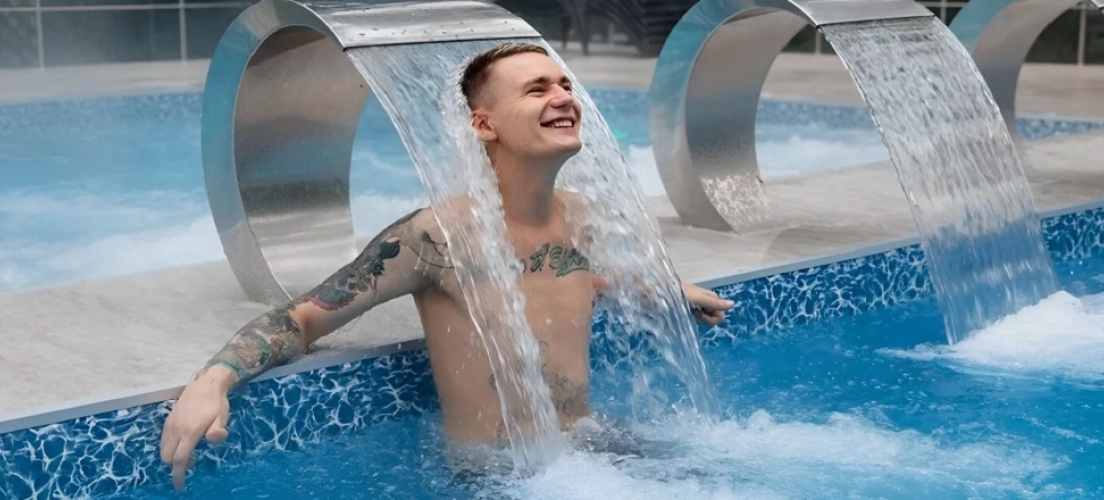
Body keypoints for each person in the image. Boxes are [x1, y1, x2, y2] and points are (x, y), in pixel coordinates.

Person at [158, 42, 735, 490]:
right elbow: (305, 316)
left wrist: (657, 287)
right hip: (500, 477)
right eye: (536, 89)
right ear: (483, 124)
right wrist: (214, 379)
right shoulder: (433, 237)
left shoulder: (584, 217)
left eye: (564, 84)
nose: (563, 97)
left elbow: (548, 283)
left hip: (592, 447)